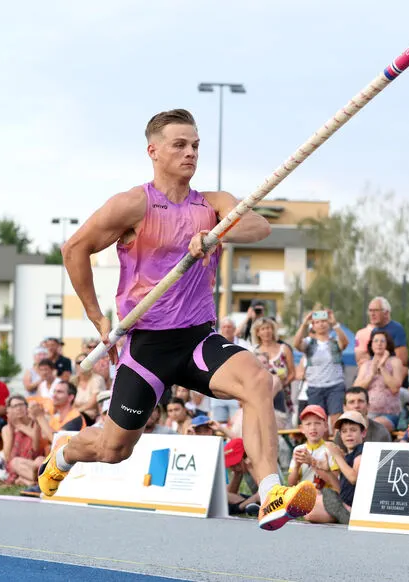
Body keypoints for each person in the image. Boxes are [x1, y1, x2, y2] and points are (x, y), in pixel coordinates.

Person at [37, 108, 315, 531]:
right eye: (180, 145)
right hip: (146, 346)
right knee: (114, 449)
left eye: (196, 146)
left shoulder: (213, 203)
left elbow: (258, 227)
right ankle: (64, 455)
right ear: (153, 150)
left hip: (196, 339)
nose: (190, 153)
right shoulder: (134, 204)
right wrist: (97, 320)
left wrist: (217, 234)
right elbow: (74, 248)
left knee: (258, 381)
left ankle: (271, 493)